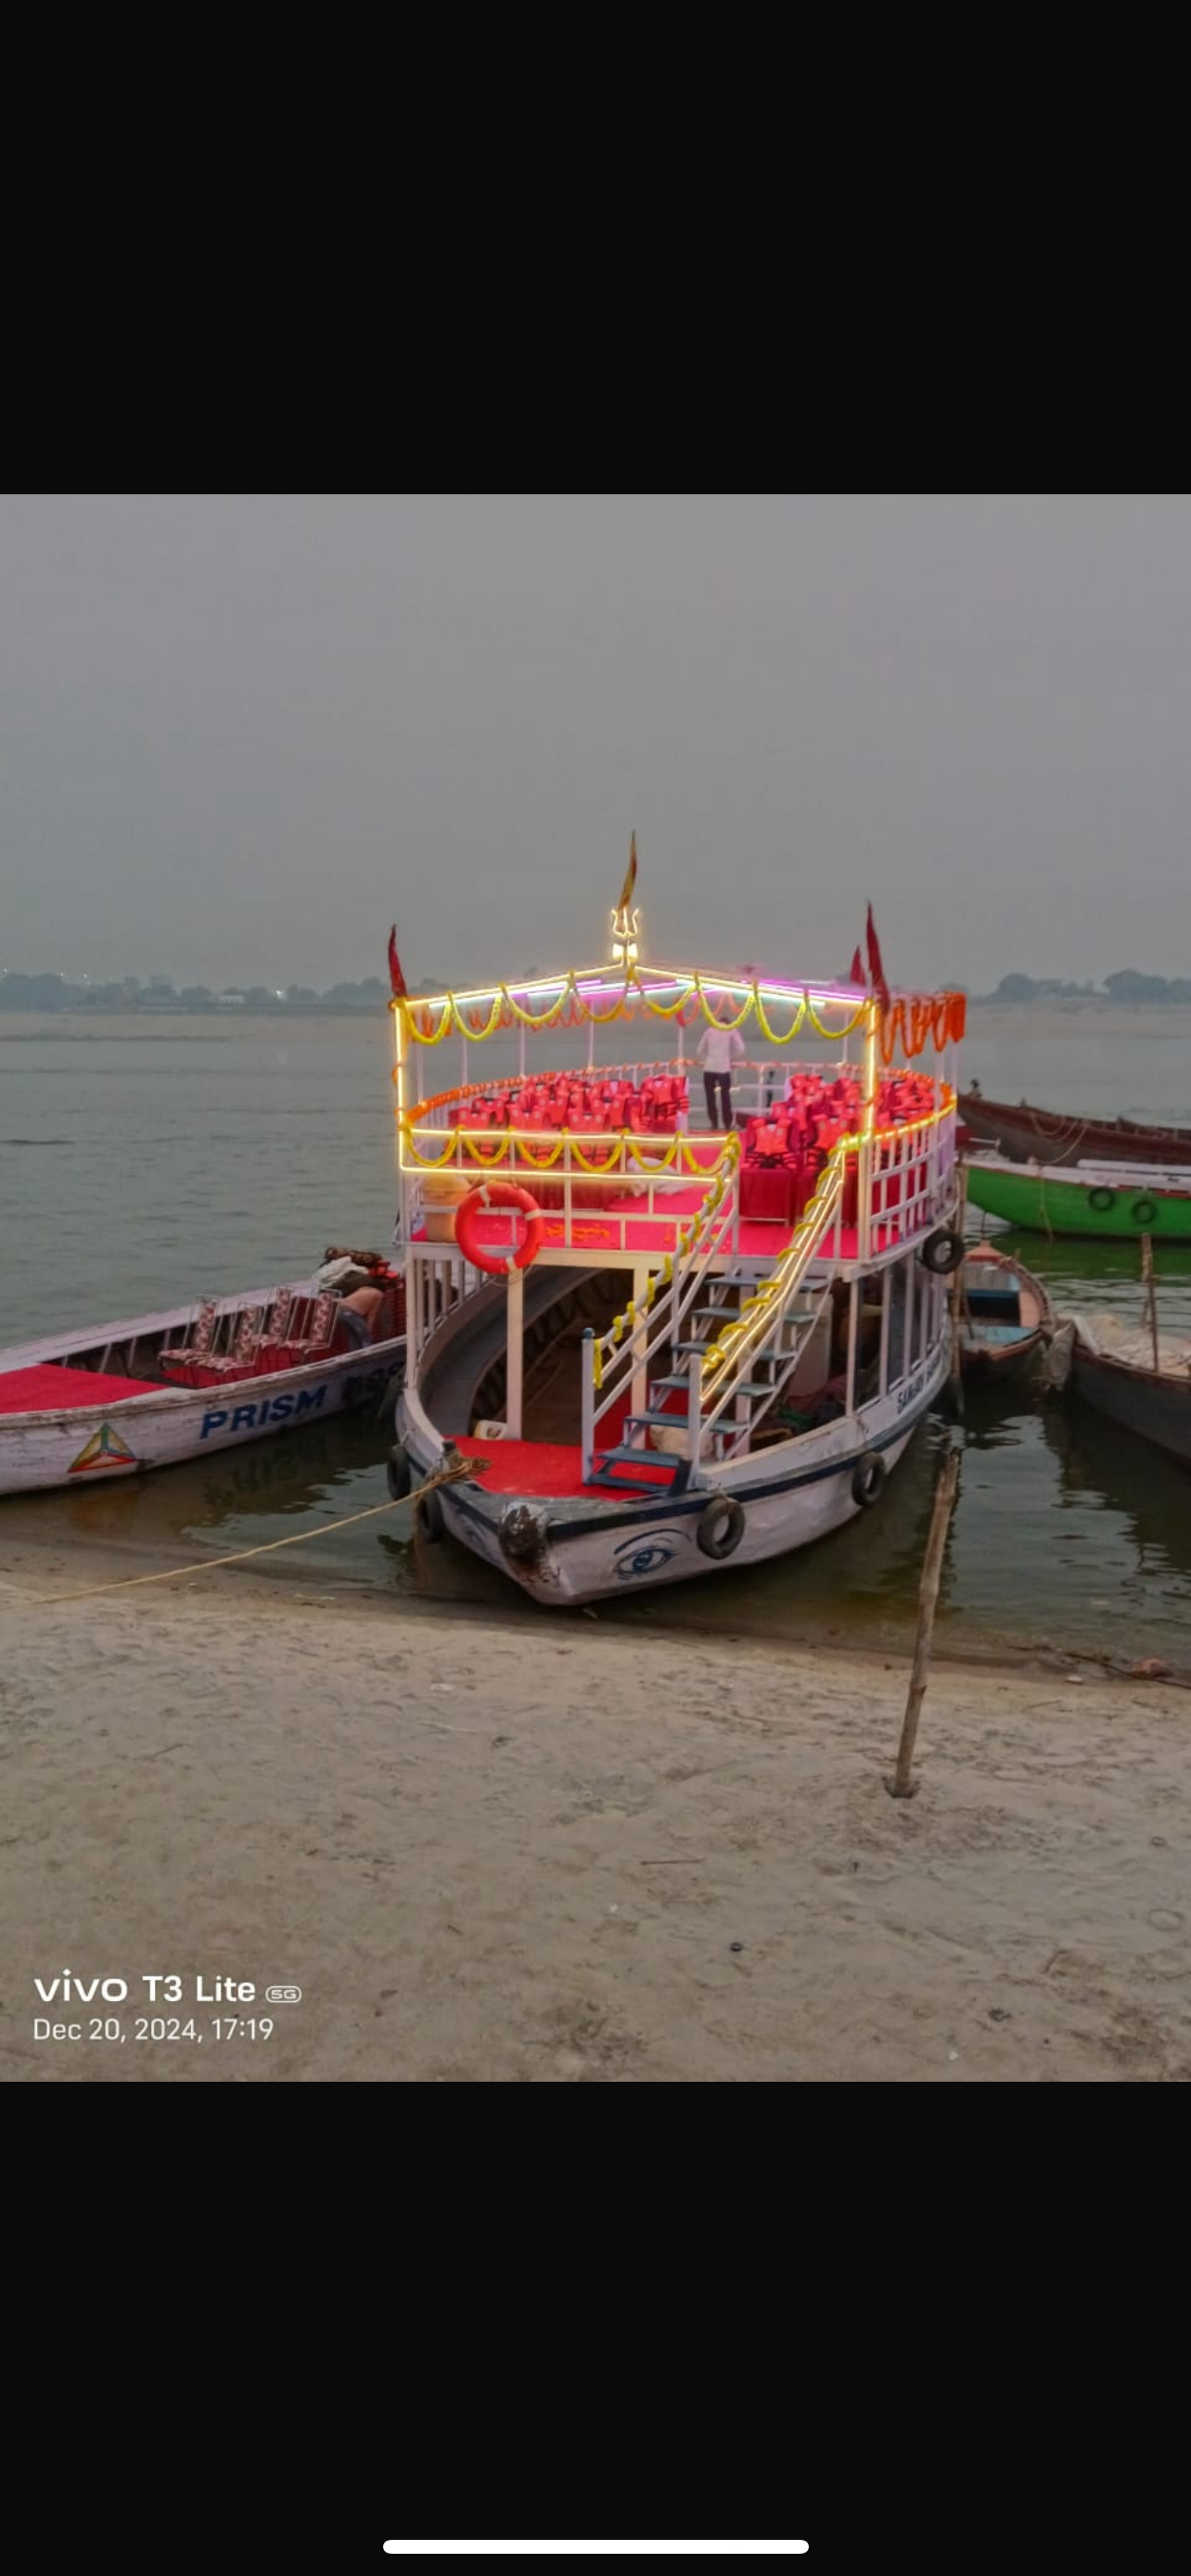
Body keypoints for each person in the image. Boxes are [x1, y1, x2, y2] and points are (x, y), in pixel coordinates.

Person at [697, 1018, 745, 1129]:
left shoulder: (709, 1031)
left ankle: (714, 1123)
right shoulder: (731, 1030)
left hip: (709, 1067)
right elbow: (741, 1049)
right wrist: (731, 1058)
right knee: (725, 1097)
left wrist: (708, 1058)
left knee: (710, 1098)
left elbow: (699, 1050)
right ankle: (727, 1124)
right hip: (724, 1068)